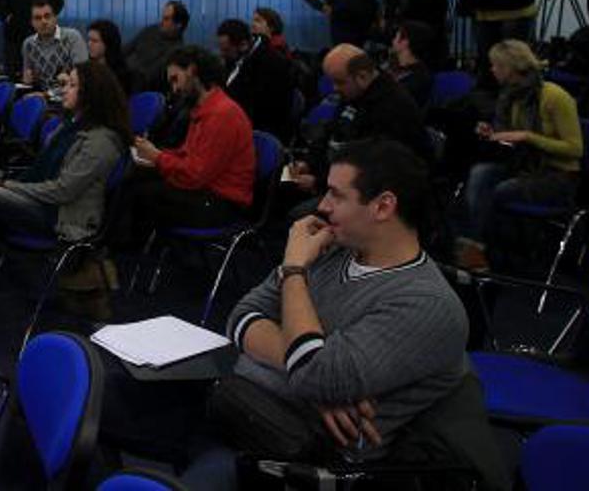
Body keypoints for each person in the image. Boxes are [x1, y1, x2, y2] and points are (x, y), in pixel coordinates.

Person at [209, 140, 495, 483]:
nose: (322, 206)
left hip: (324, 467)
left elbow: (311, 372)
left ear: (383, 206)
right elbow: (241, 317)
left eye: (336, 195)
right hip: (264, 421)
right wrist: (316, 383)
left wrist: (294, 271)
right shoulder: (332, 249)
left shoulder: (427, 304)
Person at [0, 62, 130, 340]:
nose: (64, 90)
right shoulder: (69, 127)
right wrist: (14, 189)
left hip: (63, 218)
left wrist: (12, 188)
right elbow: (44, 176)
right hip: (42, 206)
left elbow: (63, 192)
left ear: (91, 93)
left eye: (72, 85)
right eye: (65, 84)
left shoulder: (101, 140)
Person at [111, 46, 255, 250]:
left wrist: (158, 158)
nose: (174, 88)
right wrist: (156, 156)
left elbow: (195, 175)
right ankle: (121, 252)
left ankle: (121, 255)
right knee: (135, 176)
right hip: (207, 191)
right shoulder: (206, 109)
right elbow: (189, 157)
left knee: (139, 193)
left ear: (192, 71)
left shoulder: (222, 115)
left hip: (222, 203)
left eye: (175, 79)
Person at [456, 40, 581, 272]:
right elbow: (511, 139)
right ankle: (477, 247)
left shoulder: (554, 96)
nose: (492, 70)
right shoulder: (510, 96)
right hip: (525, 166)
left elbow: (575, 149)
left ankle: (489, 252)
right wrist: (493, 133)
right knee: (479, 174)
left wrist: (528, 137)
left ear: (510, 68)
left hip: (559, 175)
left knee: (500, 190)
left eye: (496, 65)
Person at [286, 44, 432, 200]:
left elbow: (372, 168)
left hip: (371, 192)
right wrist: (308, 163)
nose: (334, 88)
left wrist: (318, 183)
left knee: (294, 209)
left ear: (362, 77)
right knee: (283, 184)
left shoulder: (392, 108)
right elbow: (332, 133)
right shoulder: (354, 93)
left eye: (339, 82)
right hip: (337, 177)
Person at [216, 17, 295, 135]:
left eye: (226, 50)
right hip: (240, 120)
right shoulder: (241, 56)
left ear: (243, 45)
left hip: (262, 129)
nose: (222, 54)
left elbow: (261, 108)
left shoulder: (271, 64)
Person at [123, 0, 189, 93]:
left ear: (178, 25)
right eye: (162, 17)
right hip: (123, 74)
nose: (161, 22)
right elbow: (127, 49)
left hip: (138, 87)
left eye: (166, 19)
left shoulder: (176, 51)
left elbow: (150, 75)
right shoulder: (151, 30)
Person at [22, 0, 87, 87]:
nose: (43, 21)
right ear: (32, 22)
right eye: (38, 18)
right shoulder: (28, 44)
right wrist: (27, 79)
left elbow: (84, 75)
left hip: (68, 92)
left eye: (47, 16)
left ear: (55, 17)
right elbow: (27, 79)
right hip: (40, 93)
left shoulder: (72, 37)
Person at [388, 20, 437, 112]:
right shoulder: (396, 66)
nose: (393, 40)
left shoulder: (419, 78)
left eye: (396, 36)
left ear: (405, 42)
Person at [87, 18, 134, 94]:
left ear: (108, 43)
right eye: (88, 40)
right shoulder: (86, 68)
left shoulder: (121, 74)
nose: (89, 44)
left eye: (94, 41)